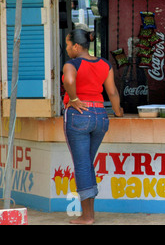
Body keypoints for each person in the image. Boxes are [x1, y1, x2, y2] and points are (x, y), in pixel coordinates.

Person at [62, 28, 123, 224]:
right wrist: (118, 111)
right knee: (87, 163)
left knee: (82, 165)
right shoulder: (105, 64)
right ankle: (88, 213)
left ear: (77, 46)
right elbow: (112, 92)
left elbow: (70, 80)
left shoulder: (72, 64)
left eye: (68, 45)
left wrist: (73, 98)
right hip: (101, 116)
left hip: (79, 116)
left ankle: (87, 216)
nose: (67, 48)